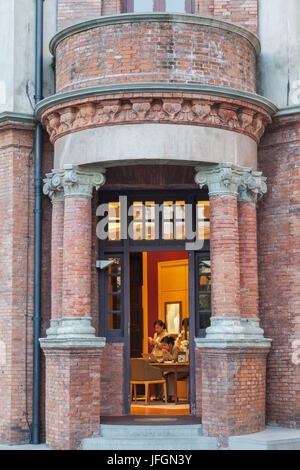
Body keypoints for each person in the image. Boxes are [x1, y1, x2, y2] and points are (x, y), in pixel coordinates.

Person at [161, 336, 188, 403]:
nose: (163, 347)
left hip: (182, 370)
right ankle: (168, 396)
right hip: (175, 370)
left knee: (171, 376)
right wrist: (164, 354)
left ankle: (174, 397)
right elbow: (165, 359)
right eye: (162, 345)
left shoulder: (175, 348)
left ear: (169, 344)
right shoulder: (167, 350)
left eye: (164, 345)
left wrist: (167, 353)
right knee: (166, 376)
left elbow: (173, 358)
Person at [148, 320, 168, 400]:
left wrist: (156, 343)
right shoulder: (155, 334)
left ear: (162, 327)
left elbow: (164, 346)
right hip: (154, 356)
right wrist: (152, 344)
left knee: (159, 375)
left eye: (158, 327)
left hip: (160, 357)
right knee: (154, 375)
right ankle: (156, 395)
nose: (156, 330)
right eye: (155, 328)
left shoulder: (166, 335)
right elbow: (154, 347)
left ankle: (161, 395)